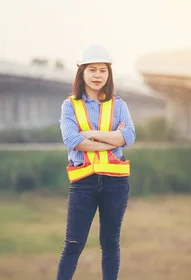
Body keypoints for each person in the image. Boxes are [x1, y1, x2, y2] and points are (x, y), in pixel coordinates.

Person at [56, 43, 136, 280]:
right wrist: (113, 141)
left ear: (109, 73)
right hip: (83, 183)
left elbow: (129, 136)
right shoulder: (70, 105)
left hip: (115, 184)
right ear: (81, 72)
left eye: (103, 70)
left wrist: (91, 134)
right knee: (73, 243)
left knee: (110, 244)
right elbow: (71, 139)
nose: (98, 75)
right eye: (92, 70)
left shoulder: (119, 104)